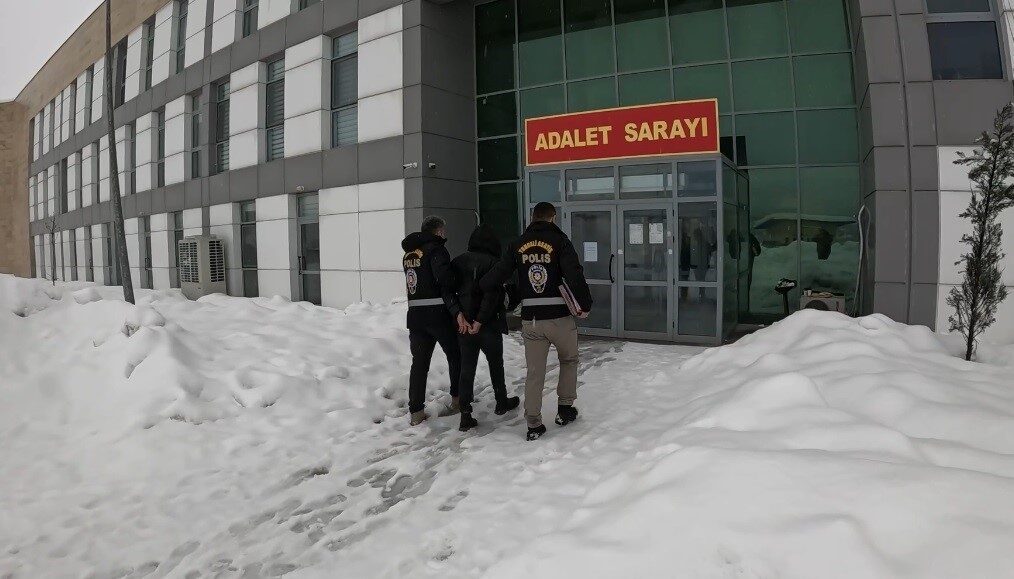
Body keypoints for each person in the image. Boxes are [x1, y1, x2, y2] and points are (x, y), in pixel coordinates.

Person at [480, 202, 592, 441]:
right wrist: (585, 305)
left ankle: (533, 423)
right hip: (559, 316)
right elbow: (574, 274)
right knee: (569, 359)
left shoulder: (517, 244)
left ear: (533, 218)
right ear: (552, 218)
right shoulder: (560, 242)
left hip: (531, 320)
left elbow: (498, 274)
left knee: (534, 372)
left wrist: (482, 285)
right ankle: (564, 409)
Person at [451, 224, 521, 432]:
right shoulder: (494, 263)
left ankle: (465, 413)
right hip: (488, 324)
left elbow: (450, 291)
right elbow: (493, 295)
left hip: (464, 324)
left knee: (466, 368)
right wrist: (480, 320)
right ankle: (501, 401)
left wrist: (459, 315)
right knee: (495, 363)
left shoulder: (457, 262)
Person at [401, 216, 467, 426]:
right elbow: (444, 279)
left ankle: (416, 412)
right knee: (455, 355)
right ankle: (457, 400)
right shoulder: (436, 249)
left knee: (419, 364)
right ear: (438, 232)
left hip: (415, 317)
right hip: (438, 314)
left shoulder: (409, 254)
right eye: (443, 232)